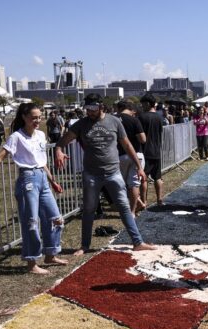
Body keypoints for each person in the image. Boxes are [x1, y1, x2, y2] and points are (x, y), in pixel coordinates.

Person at [54, 93, 156, 255]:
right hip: (91, 174)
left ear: (101, 106)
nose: (89, 112)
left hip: (113, 173)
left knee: (124, 207)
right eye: (87, 108)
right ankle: (84, 246)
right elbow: (62, 142)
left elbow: (127, 145)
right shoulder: (81, 125)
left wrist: (139, 167)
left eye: (93, 108)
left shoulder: (114, 121)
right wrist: (58, 150)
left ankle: (137, 242)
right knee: (89, 209)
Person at [0, 103, 68, 274]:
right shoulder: (16, 137)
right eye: (34, 118)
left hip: (42, 178)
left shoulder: (41, 135)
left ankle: (51, 253)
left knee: (56, 219)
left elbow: (42, 161)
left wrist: (52, 180)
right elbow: (2, 156)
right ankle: (31, 262)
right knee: (31, 222)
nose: (37, 121)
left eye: (39, 117)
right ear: (24, 117)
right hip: (28, 180)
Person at [115, 101, 147, 215]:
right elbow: (143, 139)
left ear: (119, 108)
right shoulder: (134, 120)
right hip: (137, 154)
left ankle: (128, 208)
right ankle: (132, 212)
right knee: (134, 184)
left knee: (122, 185)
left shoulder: (114, 119)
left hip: (121, 155)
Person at [139, 94, 164, 206]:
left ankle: (144, 201)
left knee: (143, 179)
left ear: (148, 104)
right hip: (156, 151)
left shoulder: (141, 117)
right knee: (158, 177)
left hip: (145, 152)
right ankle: (159, 199)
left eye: (143, 104)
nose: (142, 106)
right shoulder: (159, 117)